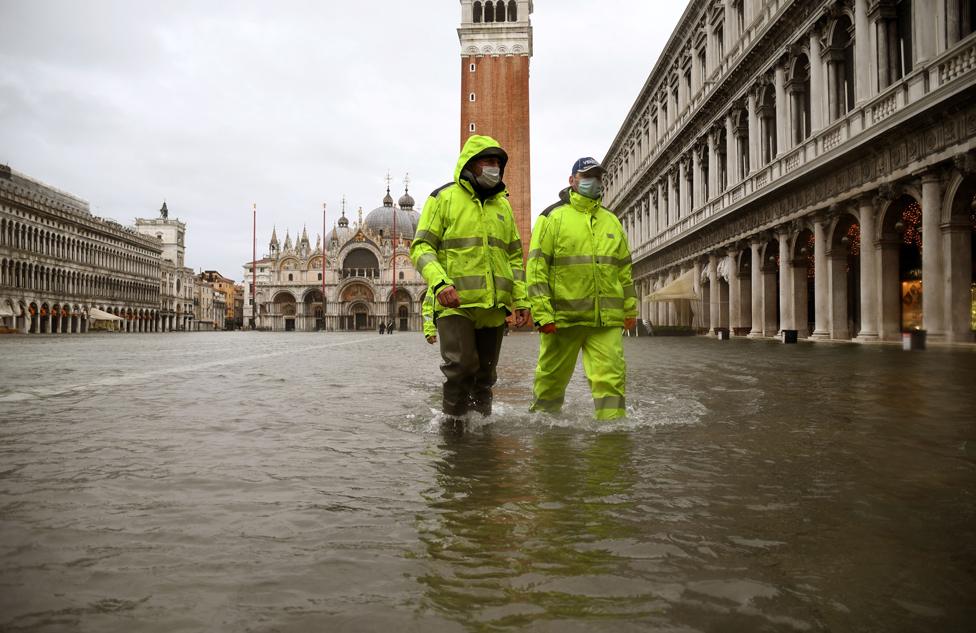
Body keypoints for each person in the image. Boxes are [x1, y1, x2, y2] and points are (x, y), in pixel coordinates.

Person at [410, 134, 531, 419]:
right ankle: (453, 428)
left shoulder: (503, 206)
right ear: (471, 164)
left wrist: (521, 299)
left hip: (493, 306)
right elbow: (422, 247)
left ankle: (481, 432)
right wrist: (440, 282)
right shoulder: (443, 198)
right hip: (456, 303)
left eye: (498, 163)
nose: (495, 168)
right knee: (461, 366)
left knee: (486, 374)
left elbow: (514, 256)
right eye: (488, 161)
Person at [527, 157, 637, 420]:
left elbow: (624, 271)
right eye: (587, 176)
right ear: (572, 180)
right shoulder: (551, 217)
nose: (593, 182)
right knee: (551, 381)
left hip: (606, 320)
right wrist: (542, 313)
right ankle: (545, 430)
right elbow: (536, 268)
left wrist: (630, 310)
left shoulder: (612, 221)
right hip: (563, 320)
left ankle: (613, 436)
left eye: (597, 177)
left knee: (612, 378)